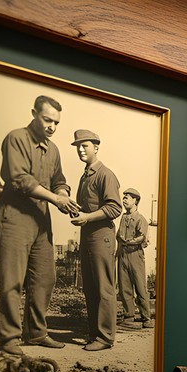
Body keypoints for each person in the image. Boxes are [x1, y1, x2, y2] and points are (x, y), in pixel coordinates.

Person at [0, 94, 81, 356]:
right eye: (46, 120)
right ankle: (9, 340)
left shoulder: (53, 149)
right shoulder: (16, 138)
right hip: (15, 216)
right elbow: (18, 179)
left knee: (45, 277)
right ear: (34, 113)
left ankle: (36, 333)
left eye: (56, 122)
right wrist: (55, 199)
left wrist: (63, 193)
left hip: (41, 219)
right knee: (12, 280)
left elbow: (59, 179)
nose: (51, 127)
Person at [69, 129, 123, 351]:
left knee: (103, 288)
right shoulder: (85, 175)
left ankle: (105, 337)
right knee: (90, 287)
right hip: (88, 236)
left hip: (102, 237)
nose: (81, 149)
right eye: (78, 146)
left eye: (86, 145)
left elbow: (114, 208)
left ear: (96, 147)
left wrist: (87, 217)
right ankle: (95, 334)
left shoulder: (105, 174)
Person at [115, 188, 154, 330]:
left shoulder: (140, 219)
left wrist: (127, 241)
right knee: (124, 287)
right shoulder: (123, 217)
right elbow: (118, 235)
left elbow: (141, 237)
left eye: (128, 197)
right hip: (123, 255)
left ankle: (146, 317)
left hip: (135, 255)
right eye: (124, 197)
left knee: (140, 287)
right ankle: (129, 316)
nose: (124, 199)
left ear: (135, 201)